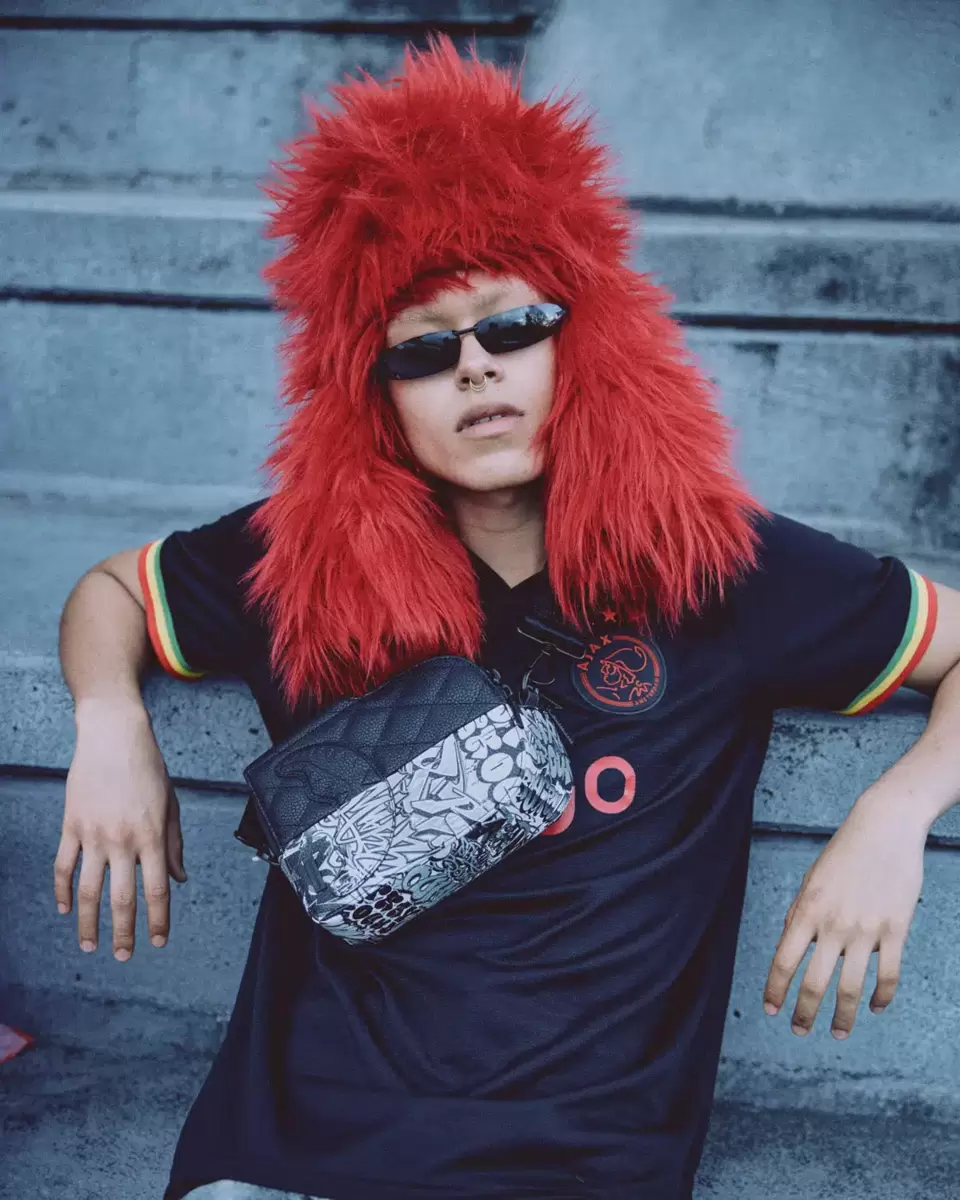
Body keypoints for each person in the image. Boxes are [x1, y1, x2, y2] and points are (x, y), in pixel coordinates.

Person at [55, 35, 960, 1200]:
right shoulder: (308, 558)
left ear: (586, 340)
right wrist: (108, 722)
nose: (476, 368)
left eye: (514, 326)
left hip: (569, 1164)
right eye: (425, 349)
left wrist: (897, 810)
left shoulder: (718, 566)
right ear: (375, 396)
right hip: (287, 1155)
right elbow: (114, 592)